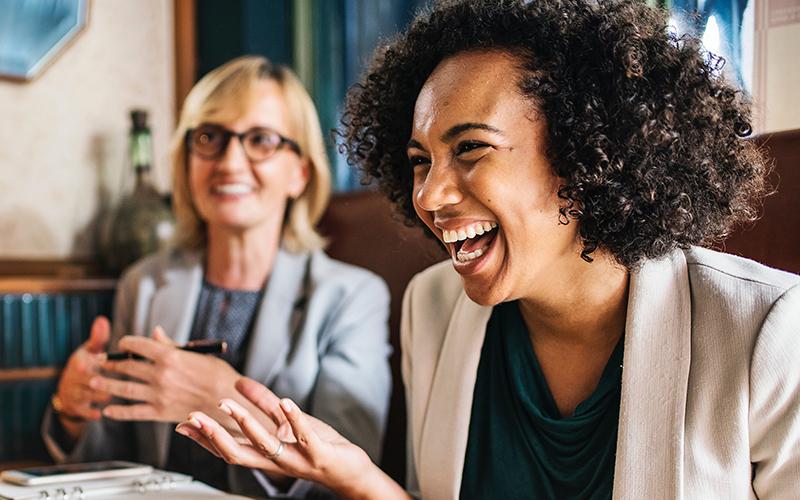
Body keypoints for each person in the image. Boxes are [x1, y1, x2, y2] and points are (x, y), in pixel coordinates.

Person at [176, 1, 800, 498]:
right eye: (420, 162)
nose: (431, 194)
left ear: (586, 154)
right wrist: (357, 477)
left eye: (471, 148)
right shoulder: (433, 306)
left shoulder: (767, 331)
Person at [42, 55, 392, 498]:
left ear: (300, 173)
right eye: (210, 137)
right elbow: (112, 458)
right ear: (187, 162)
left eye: (261, 139)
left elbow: (350, 478)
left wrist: (223, 400)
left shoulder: (351, 297)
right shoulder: (144, 284)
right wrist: (72, 412)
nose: (229, 161)